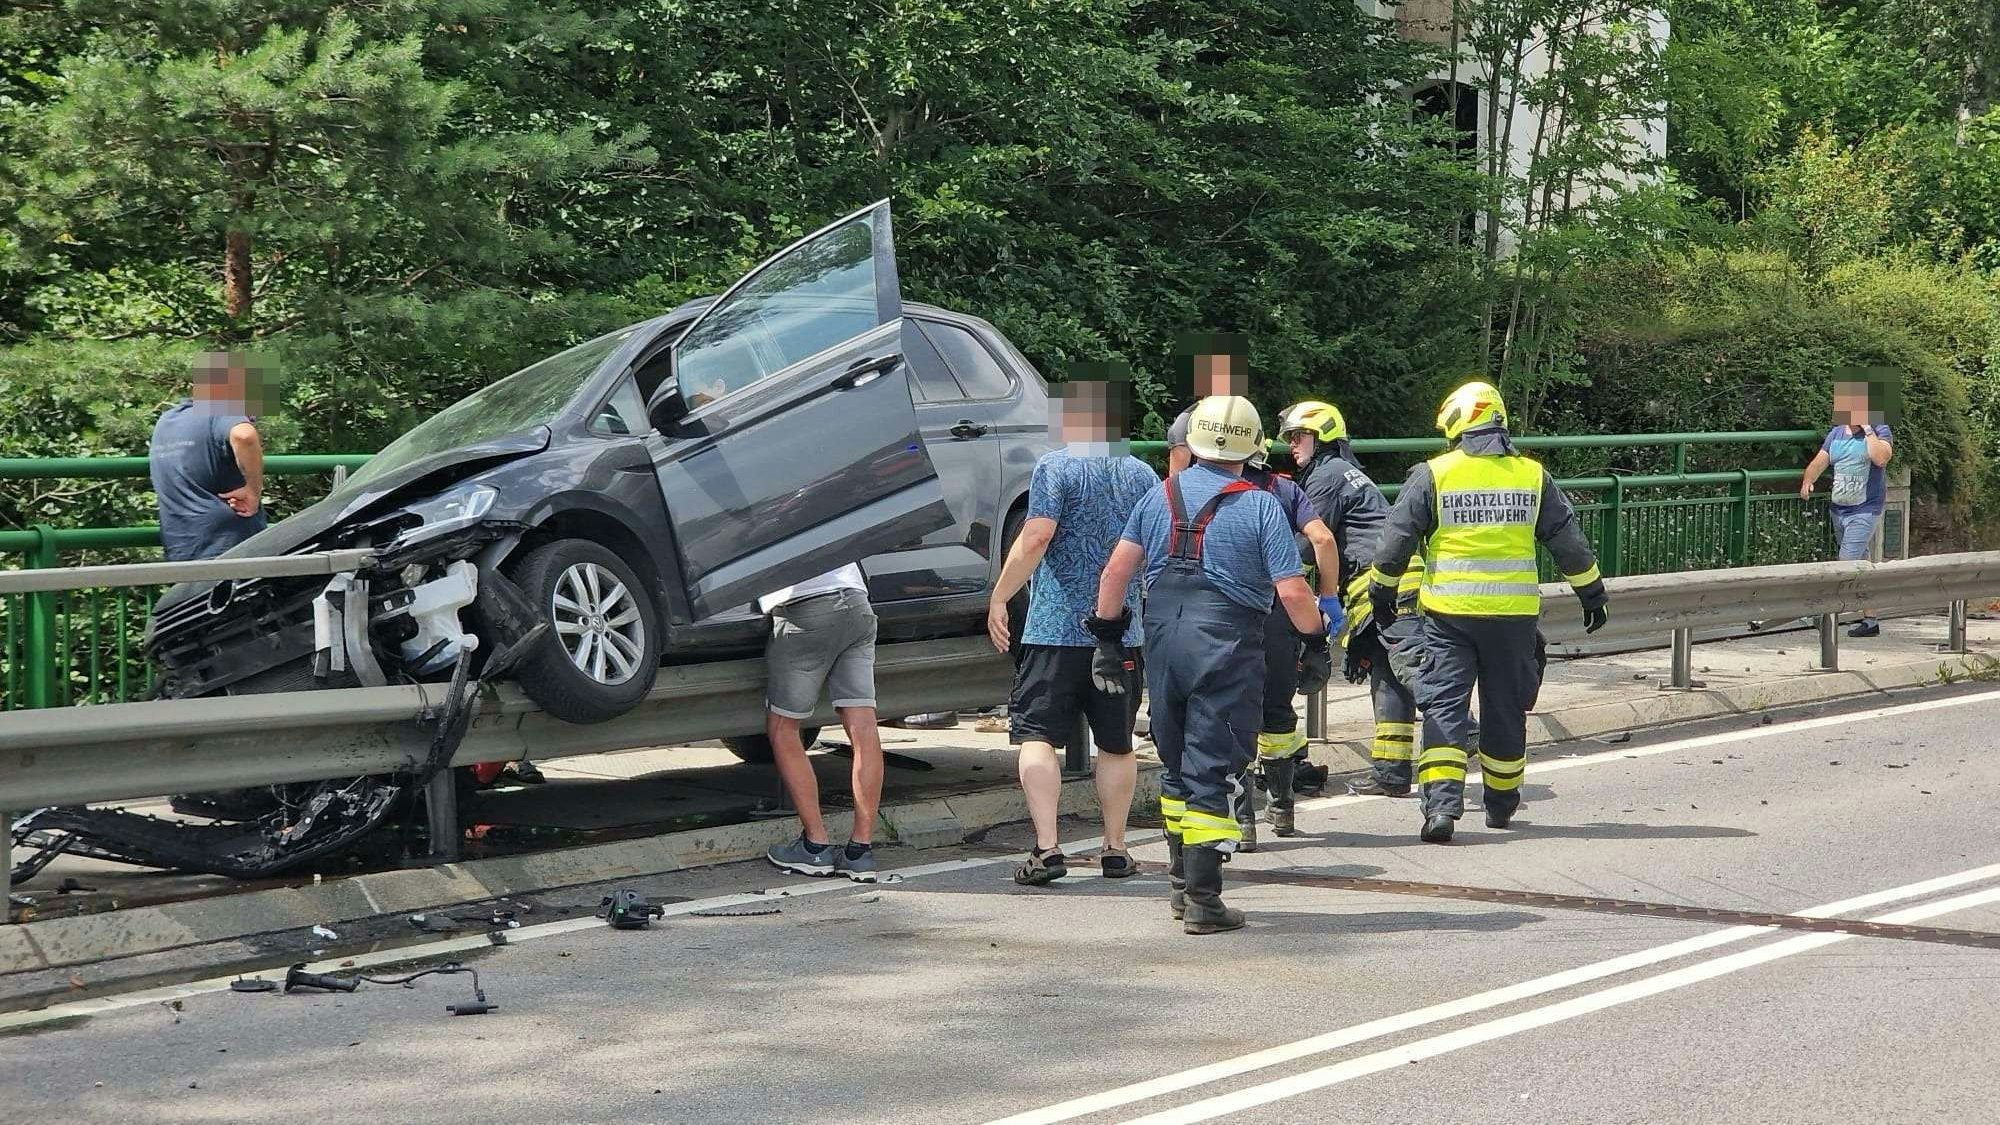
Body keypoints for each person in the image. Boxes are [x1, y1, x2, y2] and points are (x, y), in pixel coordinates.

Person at [1092, 396, 1332, 934]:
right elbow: (1293, 592)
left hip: (1162, 645)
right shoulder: (1262, 505)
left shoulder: (1159, 496)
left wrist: (1108, 643)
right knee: (1213, 767)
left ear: (1194, 441)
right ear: (1251, 447)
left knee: (1176, 762)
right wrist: (1315, 642)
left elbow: (1114, 576)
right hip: (1225, 647)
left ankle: (1179, 888)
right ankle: (1204, 901)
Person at [1368, 381, 1607, 844]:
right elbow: (1566, 540)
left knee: (1444, 708)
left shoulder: (1434, 473)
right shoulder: (1532, 475)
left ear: (1458, 423)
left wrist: (1382, 592)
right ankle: (1500, 806)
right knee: (1505, 713)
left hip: (1448, 616)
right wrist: (1591, 592)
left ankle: (1440, 809)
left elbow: (1395, 539)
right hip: (1513, 619)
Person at [986, 374, 1158, 886]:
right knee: (1118, 742)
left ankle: (1047, 847)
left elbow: (1037, 536)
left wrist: (999, 595)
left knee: (1037, 736)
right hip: (1120, 633)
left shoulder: (1055, 468)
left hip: (1054, 630)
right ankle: (1115, 847)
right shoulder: (1143, 475)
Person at [1164, 406, 1340, 845]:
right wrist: (1328, 600)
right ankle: (1282, 806)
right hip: (1280, 617)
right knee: (1277, 712)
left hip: (1224, 618)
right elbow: (1322, 538)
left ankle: (1244, 821)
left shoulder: (1200, 491)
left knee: (1232, 719)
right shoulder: (1283, 490)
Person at [1276, 400, 1428, 802]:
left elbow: (1311, 543)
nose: (1292, 445)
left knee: (1412, 670)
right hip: (1388, 582)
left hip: (1383, 585)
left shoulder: (1326, 476)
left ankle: (1464, 730)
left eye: (1299, 436)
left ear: (1322, 436)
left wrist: (1269, 564)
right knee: (1389, 677)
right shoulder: (1345, 472)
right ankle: (1391, 773)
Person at [761, 562, 885, 882]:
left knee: (782, 728)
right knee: (863, 728)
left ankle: (815, 846)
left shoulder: (760, 511)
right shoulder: (819, 509)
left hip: (805, 608)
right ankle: (860, 851)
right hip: (858, 604)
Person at [150, 352, 267, 562]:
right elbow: (244, 436)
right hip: (229, 543)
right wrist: (253, 490)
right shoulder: (222, 410)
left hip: (181, 542)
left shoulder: (167, 420)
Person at [1799, 382, 1894, 636]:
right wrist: (1808, 480)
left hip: (1865, 509)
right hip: (1839, 509)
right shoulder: (1836, 434)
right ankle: (1871, 620)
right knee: (1861, 565)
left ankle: (1825, 613)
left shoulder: (1879, 431)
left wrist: (1868, 429)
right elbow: (1820, 461)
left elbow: (1881, 458)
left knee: (1846, 562)